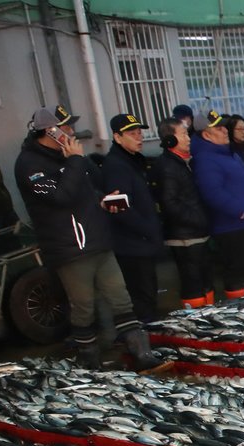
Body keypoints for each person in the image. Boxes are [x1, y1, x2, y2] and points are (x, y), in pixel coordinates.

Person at [13, 105, 159, 370]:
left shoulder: (73, 156)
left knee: (121, 297)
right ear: (50, 131)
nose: (72, 132)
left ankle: (142, 354)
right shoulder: (29, 164)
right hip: (70, 249)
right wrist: (75, 161)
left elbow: (91, 188)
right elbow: (60, 197)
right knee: (84, 307)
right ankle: (90, 362)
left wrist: (104, 201)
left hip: (99, 241)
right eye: (66, 127)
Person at [192, 110, 244, 301]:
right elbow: (212, 192)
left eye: (223, 126)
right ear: (206, 134)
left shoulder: (228, 153)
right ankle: (238, 310)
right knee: (237, 273)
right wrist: (238, 211)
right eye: (218, 128)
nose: (224, 130)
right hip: (233, 227)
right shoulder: (205, 159)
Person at [101, 113, 163, 323]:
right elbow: (119, 207)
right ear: (118, 137)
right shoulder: (117, 165)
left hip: (141, 243)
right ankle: (146, 339)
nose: (139, 138)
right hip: (132, 245)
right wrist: (148, 231)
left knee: (149, 293)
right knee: (142, 297)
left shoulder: (133, 161)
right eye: (132, 134)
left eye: (139, 133)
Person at [151, 117, 213, 309]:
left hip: (198, 234)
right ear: (170, 139)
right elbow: (170, 204)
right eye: (184, 134)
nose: (188, 138)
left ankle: (210, 315)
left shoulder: (185, 162)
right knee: (193, 284)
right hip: (184, 237)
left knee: (205, 281)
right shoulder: (167, 166)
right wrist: (199, 220)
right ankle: (196, 322)